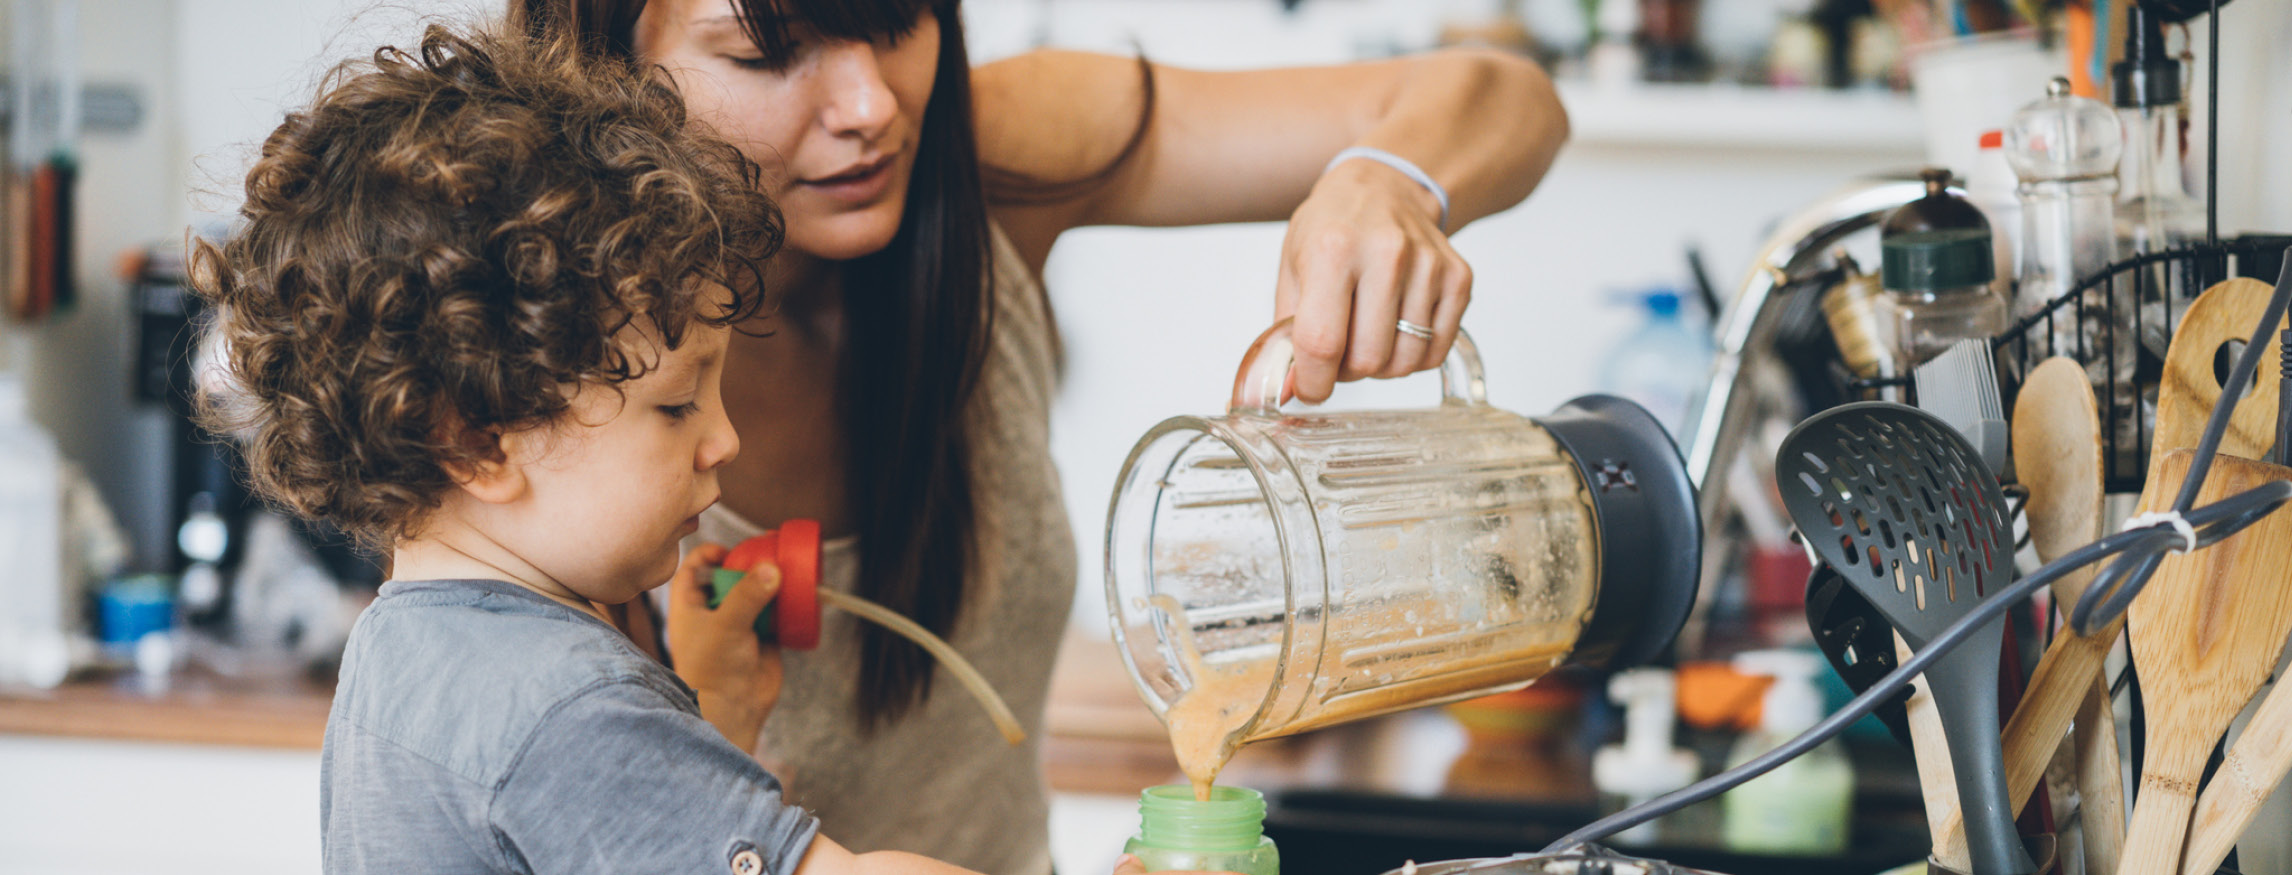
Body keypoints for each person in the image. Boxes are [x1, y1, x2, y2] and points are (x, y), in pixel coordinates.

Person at [516, 2, 1570, 873]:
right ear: (597, 65)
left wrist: (1386, 180)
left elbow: (1510, 99)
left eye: (895, 20)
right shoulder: (526, 373)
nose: (870, 106)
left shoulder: (993, 159)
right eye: (768, 51)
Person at [190, 22, 1186, 875]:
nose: (725, 438)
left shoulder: (402, 651)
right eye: (673, 405)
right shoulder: (567, 705)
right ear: (478, 440)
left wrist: (712, 717)